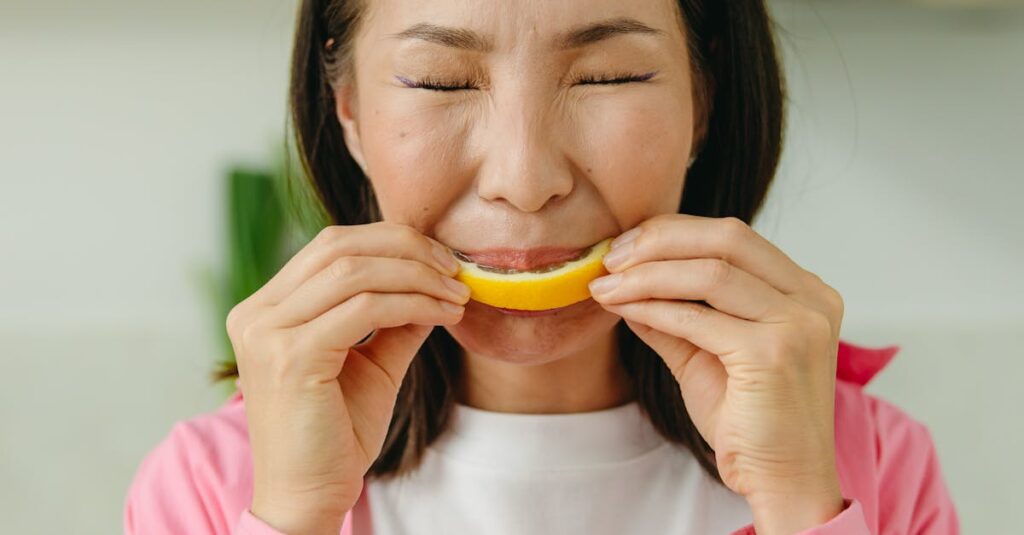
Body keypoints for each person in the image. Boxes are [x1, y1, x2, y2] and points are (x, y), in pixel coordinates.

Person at [124, 0, 960, 533]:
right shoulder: (211, 485)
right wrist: (294, 519)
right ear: (347, 112)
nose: (525, 182)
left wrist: (800, 502)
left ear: (703, 101)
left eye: (609, 74)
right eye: (443, 81)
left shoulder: (869, 465)